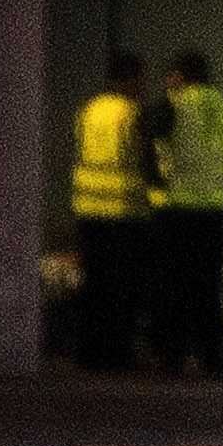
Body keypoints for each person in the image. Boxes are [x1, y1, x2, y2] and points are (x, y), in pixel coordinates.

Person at [151, 45, 223, 377]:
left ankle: (173, 354)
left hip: (177, 207)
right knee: (207, 286)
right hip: (214, 207)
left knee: (175, 286)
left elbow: (156, 142)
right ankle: (211, 355)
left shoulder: (176, 103)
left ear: (178, 75)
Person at [64, 70, 157, 369]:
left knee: (94, 285)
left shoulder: (89, 110)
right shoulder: (132, 112)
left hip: (89, 209)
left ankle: (89, 352)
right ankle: (117, 352)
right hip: (124, 212)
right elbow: (145, 157)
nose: (142, 87)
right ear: (128, 81)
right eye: (139, 81)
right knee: (122, 288)